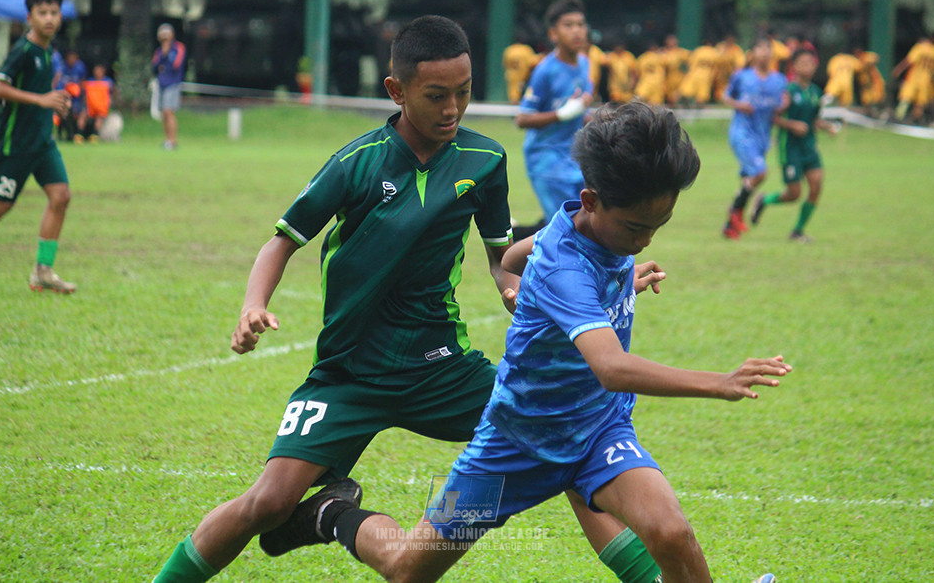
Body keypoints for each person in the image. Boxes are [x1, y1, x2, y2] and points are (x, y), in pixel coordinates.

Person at [152, 15, 663, 583]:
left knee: (560, 442)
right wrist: (253, 305)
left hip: (442, 367)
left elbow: (505, 262)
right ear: (396, 91)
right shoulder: (357, 162)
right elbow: (282, 242)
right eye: (436, 96)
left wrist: (535, 288)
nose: (453, 109)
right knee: (267, 504)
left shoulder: (485, 161)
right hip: (349, 371)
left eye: (464, 93)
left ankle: (648, 578)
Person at [276, 101, 789, 583]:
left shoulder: (580, 226)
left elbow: (514, 258)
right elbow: (610, 367)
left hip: (596, 431)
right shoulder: (566, 266)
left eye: (659, 225)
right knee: (408, 568)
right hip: (508, 447)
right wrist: (718, 382)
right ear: (592, 202)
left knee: (671, 533)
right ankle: (333, 513)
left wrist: (598, 294)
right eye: (637, 227)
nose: (645, 240)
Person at [0, 0, 76, 295]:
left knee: (61, 196)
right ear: (29, 17)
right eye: (42, 13)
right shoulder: (23, 50)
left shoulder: (48, 51)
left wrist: (56, 103)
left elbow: (41, 93)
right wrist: (41, 100)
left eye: (54, 13)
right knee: (1, 204)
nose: (49, 18)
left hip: (43, 143)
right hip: (17, 144)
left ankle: (43, 271)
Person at [514, 0, 594, 240]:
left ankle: (515, 234)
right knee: (568, 232)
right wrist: (561, 114)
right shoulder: (545, 71)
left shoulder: (584, 64)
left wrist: (598, 119)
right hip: (546, 160)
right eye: (568, 25)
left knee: (582, 222)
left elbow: (579, 113)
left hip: (574, 158)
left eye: (580, 24)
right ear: (553, 34)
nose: (577, 31)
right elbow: (522, 119)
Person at [751, 49, 839, 243]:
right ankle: (764, 200)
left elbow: (814, 120)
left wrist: (828, 127)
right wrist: (792, 125)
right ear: (795, 67)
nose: (808, 66)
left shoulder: (815, 92)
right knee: (794, 194)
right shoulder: (787, 91)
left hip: (809, 147)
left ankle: (798, 231)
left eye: (811, 63)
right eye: (803, 63)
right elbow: (773, 117)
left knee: (816, 187)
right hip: (790, 147)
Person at [720, 36, 788, 240]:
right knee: (760, 172)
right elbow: (725, 96)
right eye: (761, 48)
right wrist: (739, 105)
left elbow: (781, 104)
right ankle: (734, 211)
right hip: (742, 133)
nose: (765, 52)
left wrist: (783, 107)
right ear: (752, 53)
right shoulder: (742, 76)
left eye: (768, 49)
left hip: (762, 137)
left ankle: (730, 225)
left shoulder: (779, 80)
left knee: (747, 181)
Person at [152, 23, 186, 150]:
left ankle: (173, 141)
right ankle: (167, 140)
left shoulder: (179, 48)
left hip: (172, 83)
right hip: (162, 83)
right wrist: (163, 55)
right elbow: (155, 67)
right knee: (164, 113)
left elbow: (176, 65)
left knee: (169, 111)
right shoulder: (159, 51)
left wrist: (165, 62)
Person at [54, 48, 88, 142]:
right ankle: (60, 134)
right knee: (61, 114)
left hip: (76, 97)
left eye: (73, 57)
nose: (71, 59)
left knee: (75, 115)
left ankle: (74, 134)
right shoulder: (62, 66)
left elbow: (82, 82)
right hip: (64, 95)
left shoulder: (80, 67)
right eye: (69, 57)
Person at [677, 39, 719, 108]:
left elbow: (691, 62)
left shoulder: (698, 50)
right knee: (702, 95)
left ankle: (680, 104)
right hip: (706, 75)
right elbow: (716, 66)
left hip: (694, 73)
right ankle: (699, 108)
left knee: (685, 91)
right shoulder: (714, 52)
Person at [82, 63, 116, 143]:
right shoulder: (90, 81)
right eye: (96, 70)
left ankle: (94, 136)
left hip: (102, 108)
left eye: (99, 71)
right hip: (91, 107)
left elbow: (114, 92)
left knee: (99, 118)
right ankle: (79, 135)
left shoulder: (108, 81)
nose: (97, 72)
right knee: (82, 116)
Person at [852, 46, 885, 116]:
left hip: (874, 82)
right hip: (865, 84)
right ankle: (870, 114)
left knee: (878, 98)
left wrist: (868, 63)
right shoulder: (856, 61)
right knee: (866, 100)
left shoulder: (867, 56)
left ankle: (881, 113)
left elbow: (876, 58)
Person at [633, 41, 666, 106]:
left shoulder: (642, 57)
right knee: (655, 105)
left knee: (639, 100)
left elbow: (637, 72)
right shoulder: (660, 57)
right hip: (658, 83)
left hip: (645, 82)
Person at [661, 34, 690, 106]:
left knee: (681, 93)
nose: (671, 43)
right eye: (670, 41)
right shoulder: (663, 52)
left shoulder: (680, 52)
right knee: (670, 98)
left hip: (679, 76)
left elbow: (690, 59)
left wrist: (686, 72)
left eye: (673, 41)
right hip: (668, 78)